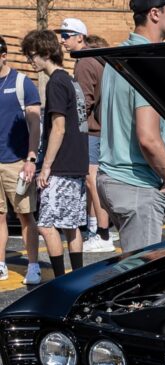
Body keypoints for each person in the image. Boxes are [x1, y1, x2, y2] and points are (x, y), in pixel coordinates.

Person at [97, 0, 165, 252]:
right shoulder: (145, 62)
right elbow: (148, 138)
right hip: (135, 184)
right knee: (143, 274)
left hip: (111, 178)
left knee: (131, 266)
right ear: (155, 13)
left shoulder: (117, 57)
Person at [20, 29, 89, 277]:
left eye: (32, 55)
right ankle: (78, 277)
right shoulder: (70, 80)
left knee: (47, 226)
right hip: (77, 163)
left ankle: (60, 279)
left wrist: (46, 166)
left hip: (61, 165)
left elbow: (58, 127)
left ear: (46, 52)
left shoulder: (56, 83)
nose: (30, 61)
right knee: (71, 226)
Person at [56, 19, 114, 254]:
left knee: (92, 181)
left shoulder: (84, 63)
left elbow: (83, 103)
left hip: (90, 131)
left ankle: (103, 234)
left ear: (80, 37)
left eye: (66, 35)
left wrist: (72, 131)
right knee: (93, 182)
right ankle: (96, 230)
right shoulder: (95, 58)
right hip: (98, 129)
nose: (62, 40)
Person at [0, 35, 42, 285]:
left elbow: (35, 124)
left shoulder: (22, 83)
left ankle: (34, 265)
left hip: (17, 161)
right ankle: (1, 264)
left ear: (4, 55)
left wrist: (31, 158)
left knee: (25, 215)